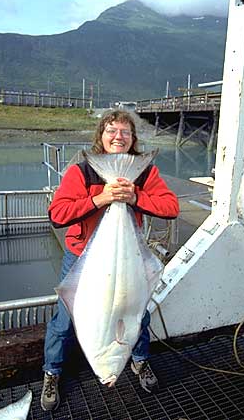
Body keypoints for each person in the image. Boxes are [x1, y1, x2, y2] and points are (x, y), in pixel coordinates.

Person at [41, 109, 179, 411]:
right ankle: (52, 372)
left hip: (127, 257)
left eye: (125, 132)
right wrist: (101, 198)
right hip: (83, 259)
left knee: (136, 314)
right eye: (112, 131)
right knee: (65, 321)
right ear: (100, 136)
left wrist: (135, 198)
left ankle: (140, 361)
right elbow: (57, 214)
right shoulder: (82, 172)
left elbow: (171, 207)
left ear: (133, 139)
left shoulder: (146, 173)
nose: (118, 137)